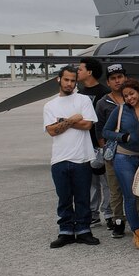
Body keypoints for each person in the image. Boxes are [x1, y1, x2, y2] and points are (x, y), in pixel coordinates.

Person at [44, 66, 100, 248]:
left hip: (82, 158)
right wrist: (74, 119)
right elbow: (52, 131)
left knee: (83, 197)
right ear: (58, 80)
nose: (69, 83)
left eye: (73, 80)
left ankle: (84, 230)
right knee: (64, 198)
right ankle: (66, 231)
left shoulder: (83, 100)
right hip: (59, 159)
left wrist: (62, 121)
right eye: (66, 79)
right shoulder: (50, 105)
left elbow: (88, 125)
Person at [103, 79, 139, 249]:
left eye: (131, 93)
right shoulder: (120, 110)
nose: (129, 98)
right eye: (125, 96)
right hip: (124, 157)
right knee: (130, 196)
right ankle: (138, 232)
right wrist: (122, 137)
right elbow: (106, 131)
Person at [95, 63, 139, 237]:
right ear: (108, 82)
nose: (117, 81)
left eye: (120, 77)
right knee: (115, 187)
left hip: (134, 151)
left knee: (136, 186)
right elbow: (100, 130)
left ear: (126, 78)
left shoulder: (133, 99)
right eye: (113, 78)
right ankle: (118, 220)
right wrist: (105, 150)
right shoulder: (103, 102)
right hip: (112, 151)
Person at [77, 57, 111, 229]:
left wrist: (102, 143)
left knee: (107, 182)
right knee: (90, 183)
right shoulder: (80, 93)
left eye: (80, 69)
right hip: (84, 145)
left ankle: (110, 214)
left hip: (101, 144)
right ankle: (93, 214)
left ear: (89, 72)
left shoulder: (104, 93)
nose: (78, 71)